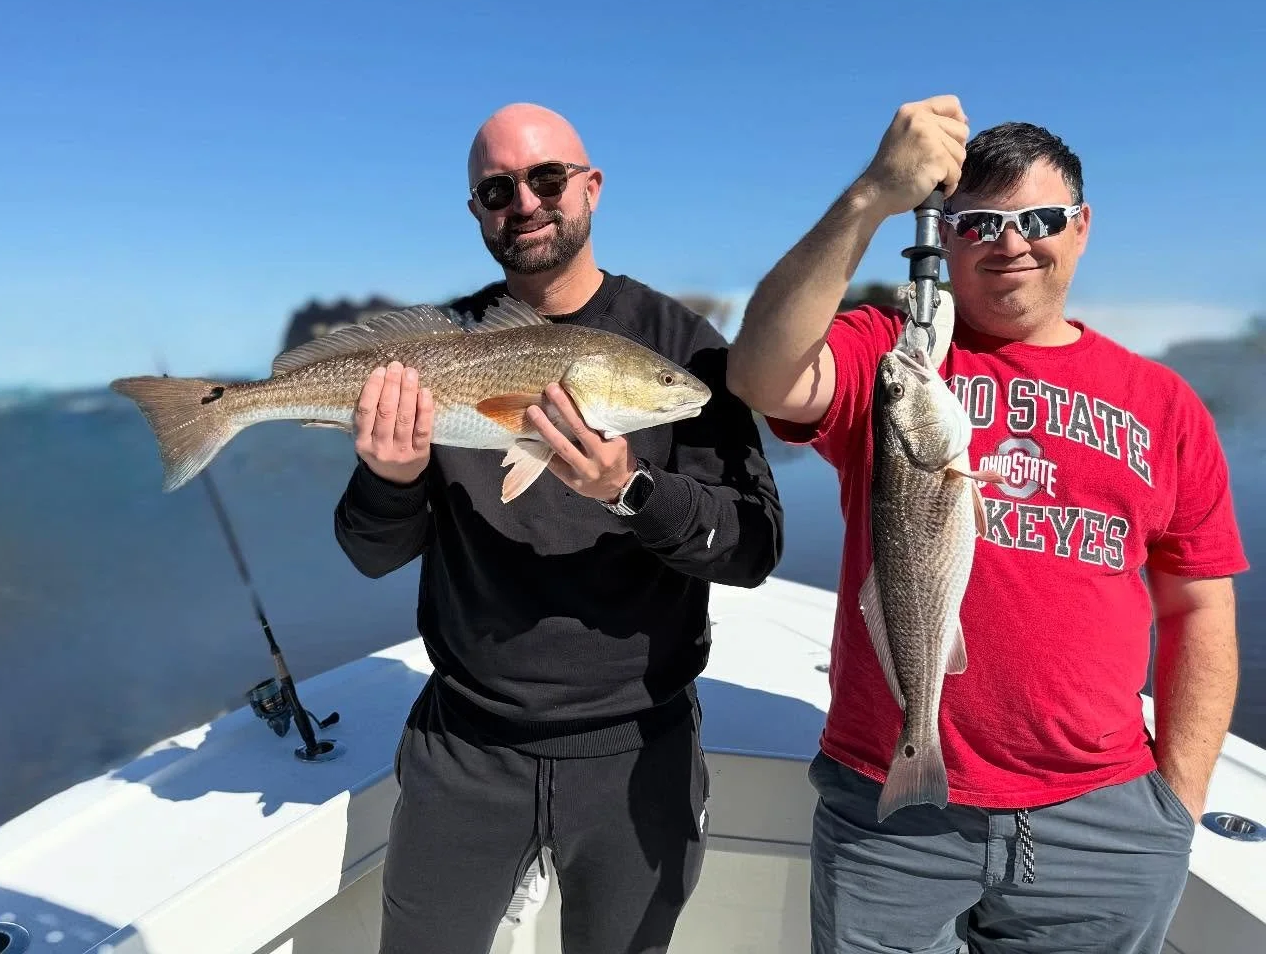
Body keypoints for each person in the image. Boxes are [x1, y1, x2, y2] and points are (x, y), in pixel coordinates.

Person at [726, 96, 1250, 953]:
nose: (1010, 242)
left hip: (1105, 818)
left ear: (1081, 229)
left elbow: (1199, 605)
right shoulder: (895, 354)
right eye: (974, 224)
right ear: (950, 236)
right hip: (889, 805)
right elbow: (760, 373)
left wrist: (1174, 803)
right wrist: (870, 196)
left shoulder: (1165, 404)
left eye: (1038, 219)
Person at [333, 101, 784, 954]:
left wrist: (636, 492)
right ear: (476, 211)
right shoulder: (438, 351)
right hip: (464, 746)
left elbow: (755, 546)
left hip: (637, 750)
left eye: (547, 179)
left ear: (592, 187)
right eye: (497, 189)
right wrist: (390, 478)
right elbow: (368, 552)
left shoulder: (682, 351)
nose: (525, 203)